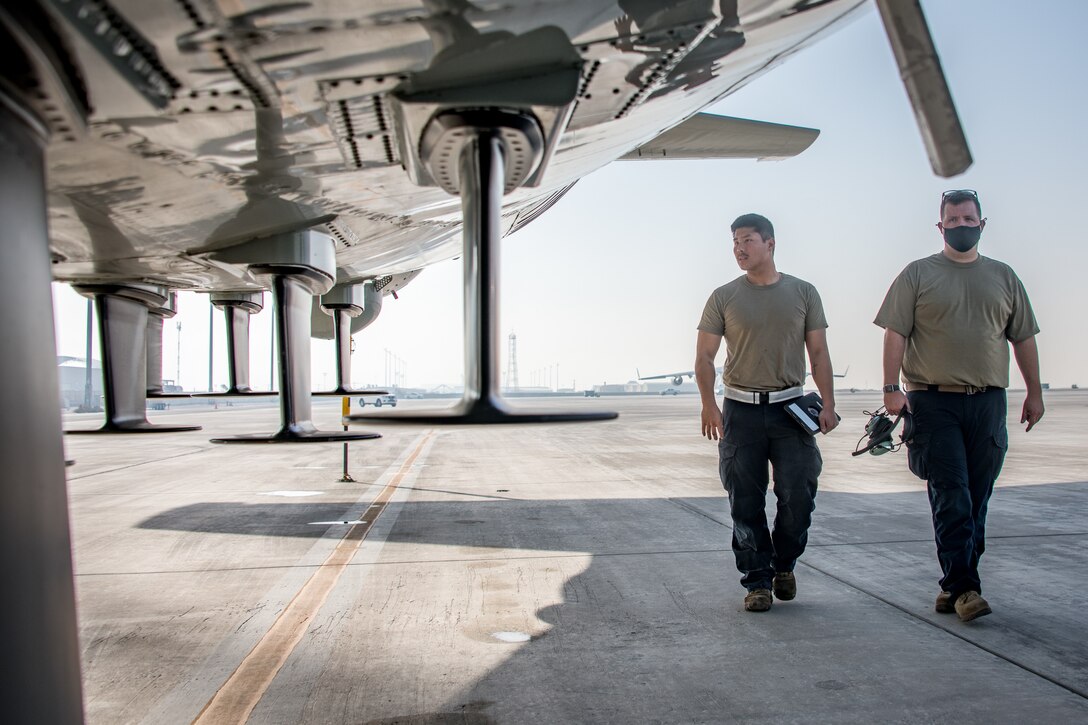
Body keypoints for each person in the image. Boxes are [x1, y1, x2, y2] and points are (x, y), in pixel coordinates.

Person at [874, 189, 1043, 622]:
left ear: (982, 224)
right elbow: (895, 333)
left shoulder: (1004, 277)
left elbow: (1022, 336)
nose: (961, 226)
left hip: (987, 401)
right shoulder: (917, 274)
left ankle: (955, 582)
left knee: (977, 497)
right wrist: (891, 388)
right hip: (932, 401)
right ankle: (967, 588)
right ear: (941, 226)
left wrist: (1034, 393)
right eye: (953, 220)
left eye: (969, 219)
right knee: (951, 494)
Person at [695, 213, 838, 612]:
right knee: (744, 501)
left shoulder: (803, 292)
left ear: (770, 244)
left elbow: (820, 352)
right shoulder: (723, 296)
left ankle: (784, 564)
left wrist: (828, 403)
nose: (739, 249)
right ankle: (756, 581)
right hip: (740, 410)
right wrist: (710, 404)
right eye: (734, 242)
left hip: (791, 409)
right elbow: (704, 357)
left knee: (799, 495)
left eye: (747, 240)